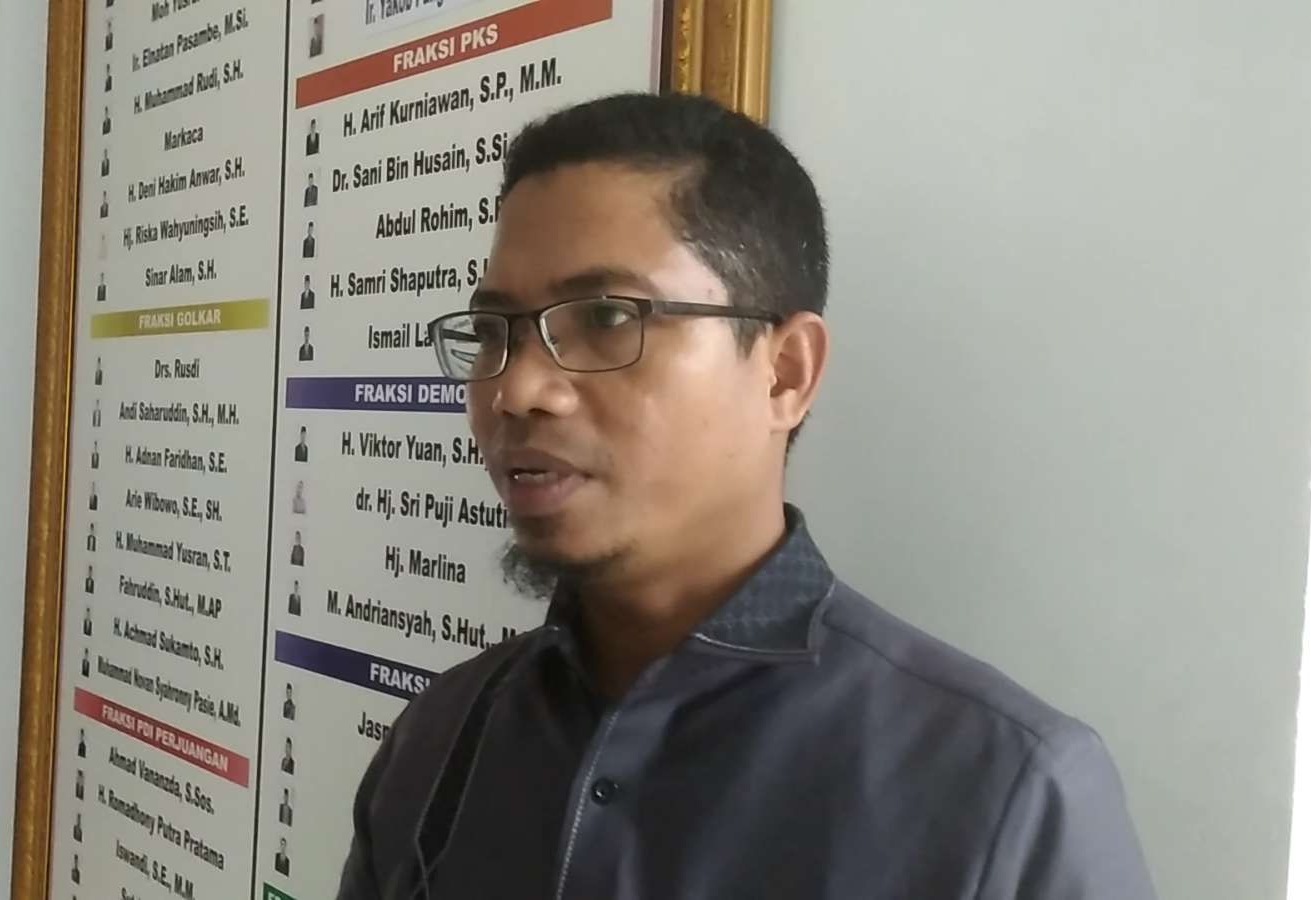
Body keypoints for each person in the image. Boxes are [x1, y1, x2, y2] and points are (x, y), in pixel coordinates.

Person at [335, 94, 1156, 900]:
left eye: (607, 318)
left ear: (785, 374)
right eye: (494, 332)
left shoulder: (1003, 793)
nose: (516, 390)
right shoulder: (439, 739)